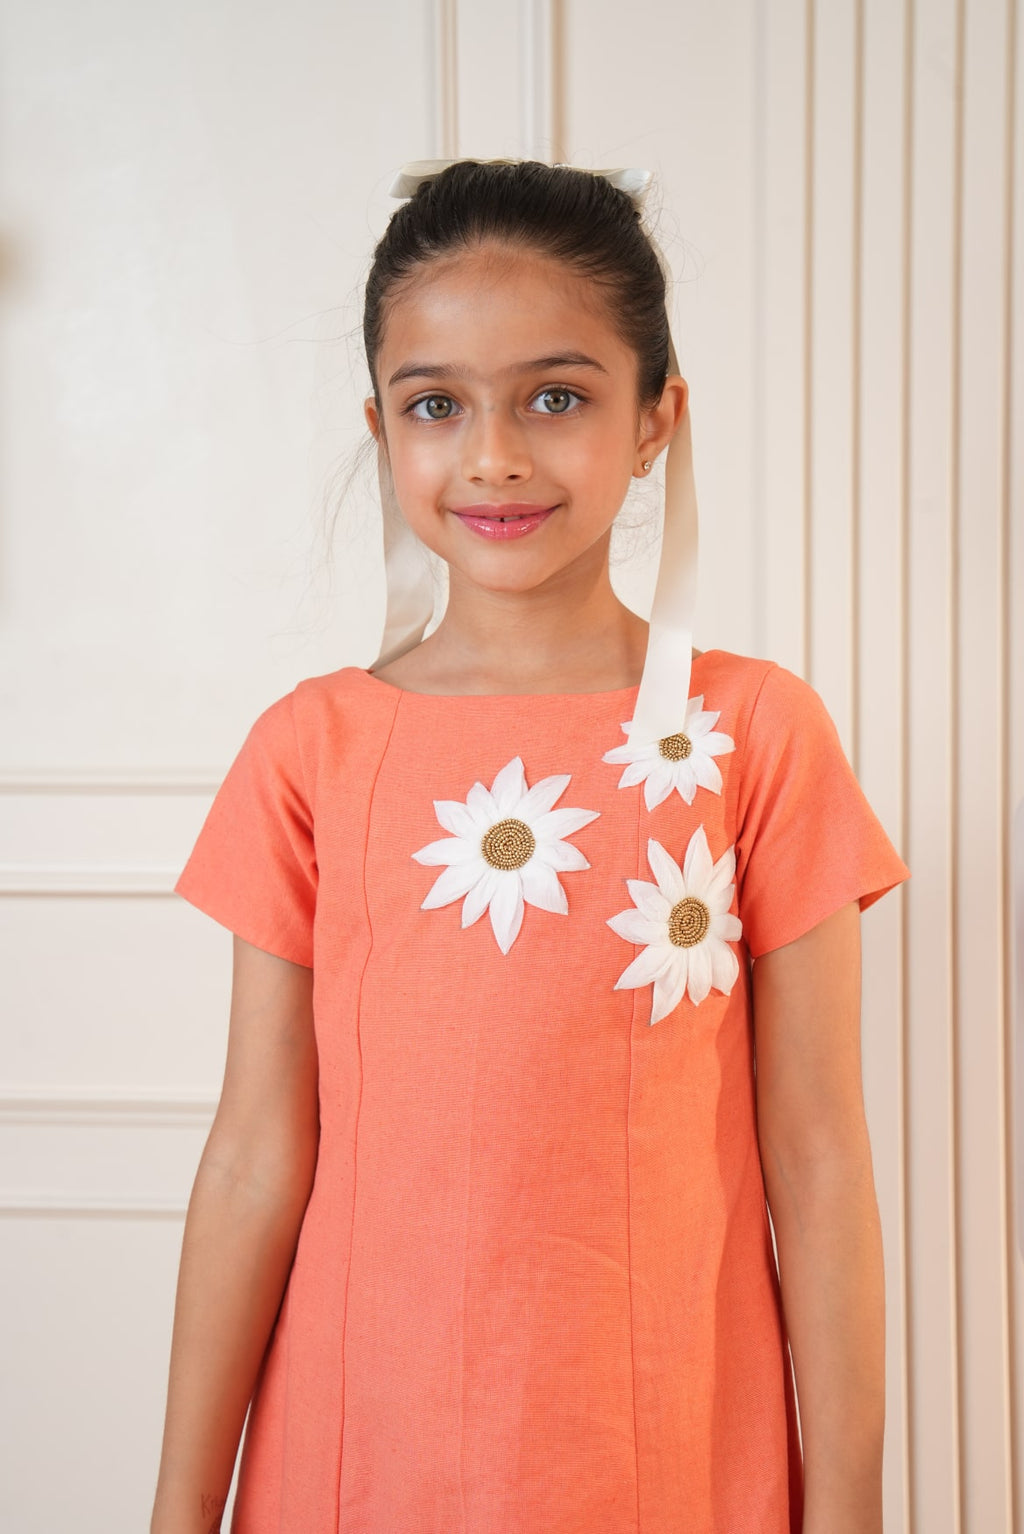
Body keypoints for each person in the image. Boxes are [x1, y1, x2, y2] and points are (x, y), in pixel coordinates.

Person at [150, 157, 909, 1534]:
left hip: (670, 1461)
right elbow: (258, 1155)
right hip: (358, 1462)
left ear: (654, 419)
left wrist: (849, 1506)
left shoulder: (756, 733)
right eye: (437, 405)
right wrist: (178, 1507)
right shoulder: (311, 749)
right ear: (381, 428)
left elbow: (820, 1157)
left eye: (555, 396)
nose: (493, 454)